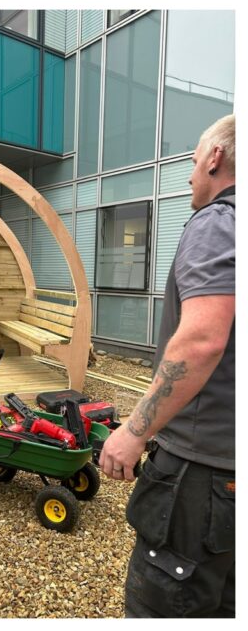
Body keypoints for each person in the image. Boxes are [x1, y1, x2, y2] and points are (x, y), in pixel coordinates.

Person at [99, 114, 235, 618]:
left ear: (216, 158)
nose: (189, 174)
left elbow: (199, 341)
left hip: (199, 475)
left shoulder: (219, 222)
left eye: (195, 160)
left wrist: (134, 431)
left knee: (167, 607)